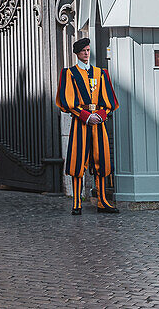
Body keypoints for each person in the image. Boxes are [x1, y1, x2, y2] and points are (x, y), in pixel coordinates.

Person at [56, 36, 119, 214]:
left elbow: (110, 101)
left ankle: (102, 201)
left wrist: (100, 115)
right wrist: (85, 116)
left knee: (102, 161)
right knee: (78, 161)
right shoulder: (69, 73)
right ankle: (77, 202)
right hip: (80, 123)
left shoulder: (101, 73)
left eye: (88, 50)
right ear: (77, 53)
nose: (86, 53)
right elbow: (66, 101)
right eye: (83, 50)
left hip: (98, 123)